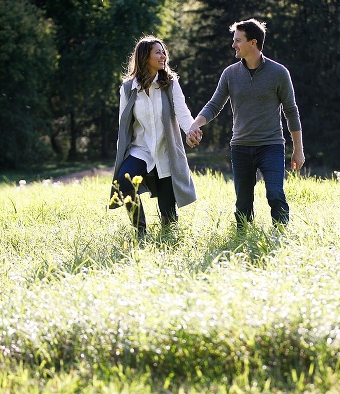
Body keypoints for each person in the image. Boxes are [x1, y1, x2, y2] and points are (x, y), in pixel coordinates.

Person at [186, 18, 304, 228]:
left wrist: (298, 149)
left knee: (275, 193)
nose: (233, 45)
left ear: (253, 42)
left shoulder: (279, 73)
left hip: (271, 146)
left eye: (238, 40)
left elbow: (291, 111)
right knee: (243, 204)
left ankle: (281, 235)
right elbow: (214, 105)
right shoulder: (230, 74)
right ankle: (242, 239)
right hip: (241, 147)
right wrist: (196, 124)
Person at [109, 36, 197, 237]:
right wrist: (121, 154)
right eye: (158, 52)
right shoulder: (128, 88)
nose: (163, 55)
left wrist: (191, 130)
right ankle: (140, 232)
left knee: (168, 212)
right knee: (124, 182)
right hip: (140, 150)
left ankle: (169, 239)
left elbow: (182, 113)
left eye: (163, 51)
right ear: (144, 57)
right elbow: (123, 126)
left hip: (166, 152)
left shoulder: (170, 84)